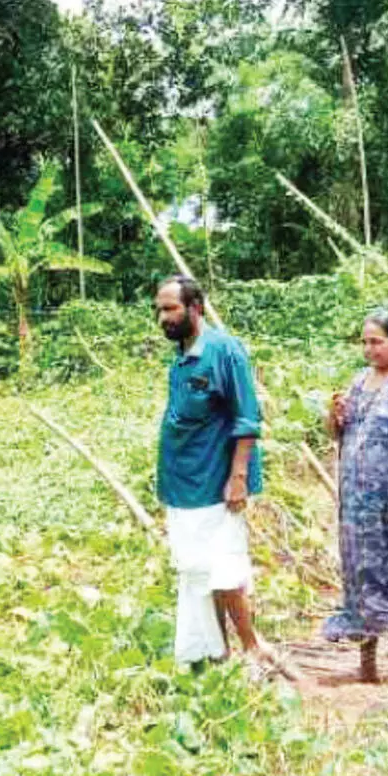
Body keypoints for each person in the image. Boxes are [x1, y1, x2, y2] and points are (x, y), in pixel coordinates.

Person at [154, 275, 265, 668]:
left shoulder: (224, 351)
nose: (162, 317)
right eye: (159, 310)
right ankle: (218, 653)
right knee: (199, 575)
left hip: (215, 486)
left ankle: (252, 651)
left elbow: (247, 418)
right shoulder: (182, 356)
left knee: (224, 573)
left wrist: (237, 478)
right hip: (182, 485)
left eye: (170, 308)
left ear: (195, 308)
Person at [322, 308, 388, 683]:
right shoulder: (358, 381)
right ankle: (366, 665)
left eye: (377, 342)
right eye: (365, 342)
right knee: (361, 580)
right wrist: (333, 418)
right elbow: (342, 436)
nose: (369, 349)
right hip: (357, 508)